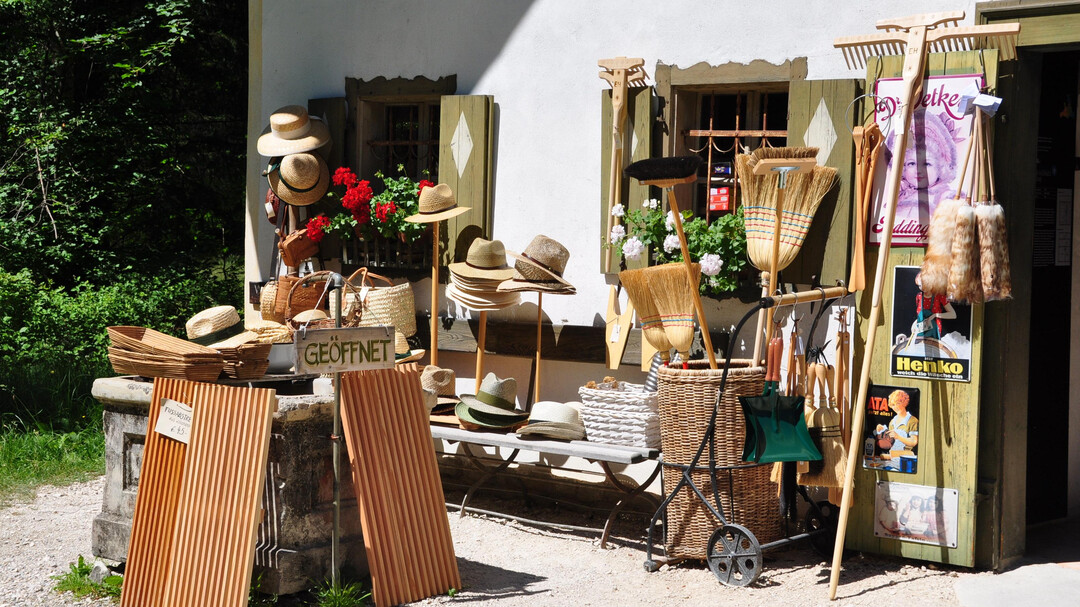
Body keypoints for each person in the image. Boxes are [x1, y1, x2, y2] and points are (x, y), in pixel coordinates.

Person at [883, 108, 964, 227]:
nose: (918, 170)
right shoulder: (902, 196)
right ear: (903, 167)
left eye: (927, 164)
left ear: (940, 168)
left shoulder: (945, 198)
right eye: (911, 163)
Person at [879, 389, 918, 462]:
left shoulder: (912, 421)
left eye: (898, 403)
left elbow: (914, 442)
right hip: (892, 456)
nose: (896, 407)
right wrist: (881, 432)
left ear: (904, 402)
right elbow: (889, 443)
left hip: (906, 457)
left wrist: (898, 437)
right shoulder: (892, 422)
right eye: (893, 405)